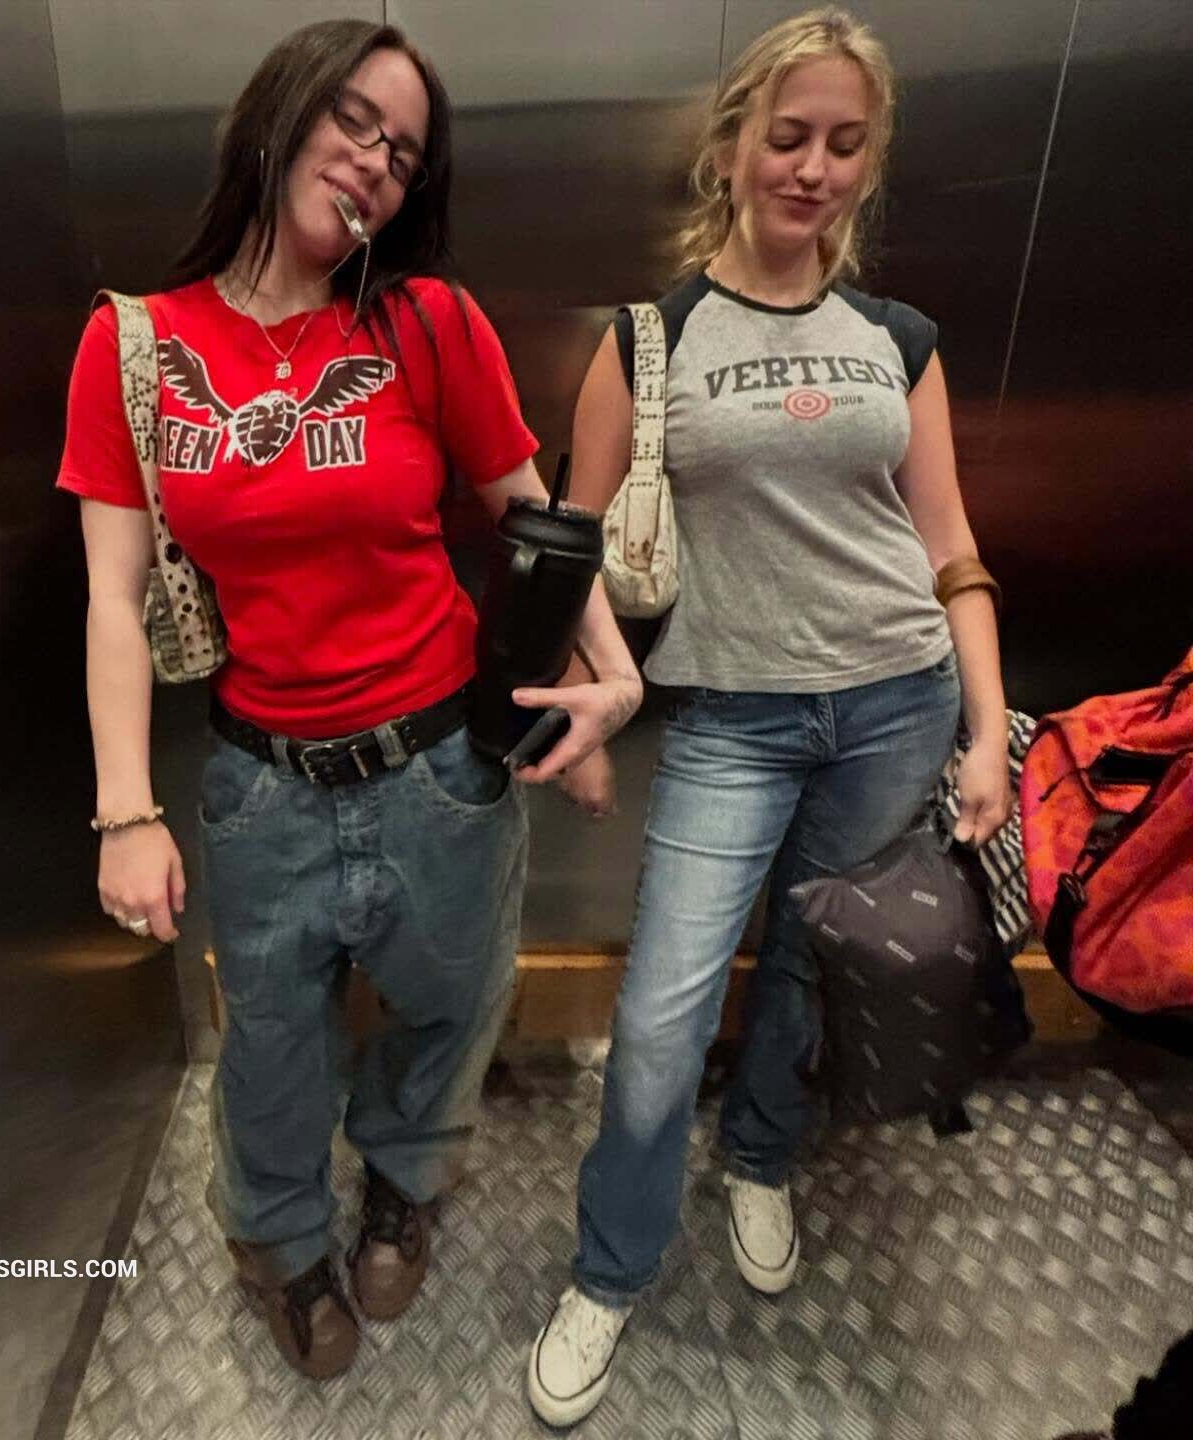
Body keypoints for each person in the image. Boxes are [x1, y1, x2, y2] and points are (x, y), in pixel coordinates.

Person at [55, 20, 641, 1381]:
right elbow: (111, 600)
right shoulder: (137, 346)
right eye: (356, 120)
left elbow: (535, 517)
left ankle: (403, 1184)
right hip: (265, 788)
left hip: (444, 772)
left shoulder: (427, 322)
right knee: (270, 1053)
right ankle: (281, 1245)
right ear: (282, 112)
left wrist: (612, 679)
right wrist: (124, 813)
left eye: (405, 153)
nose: (377, 161)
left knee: (451, 1011)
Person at [526, 7, 1011, 1425]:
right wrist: (596, 702)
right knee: (662, 1013)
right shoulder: (654, 337)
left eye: (845, 145)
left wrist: (987, 727)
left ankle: (759, 1157)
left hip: (898, 702)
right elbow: (570, 541)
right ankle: (610, 1271)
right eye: (789, 136)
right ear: (733, 143)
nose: (813, 168)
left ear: (870, 163)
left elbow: (949, 546)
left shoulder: (897, 339)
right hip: (731, 721)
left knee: (807, 963)